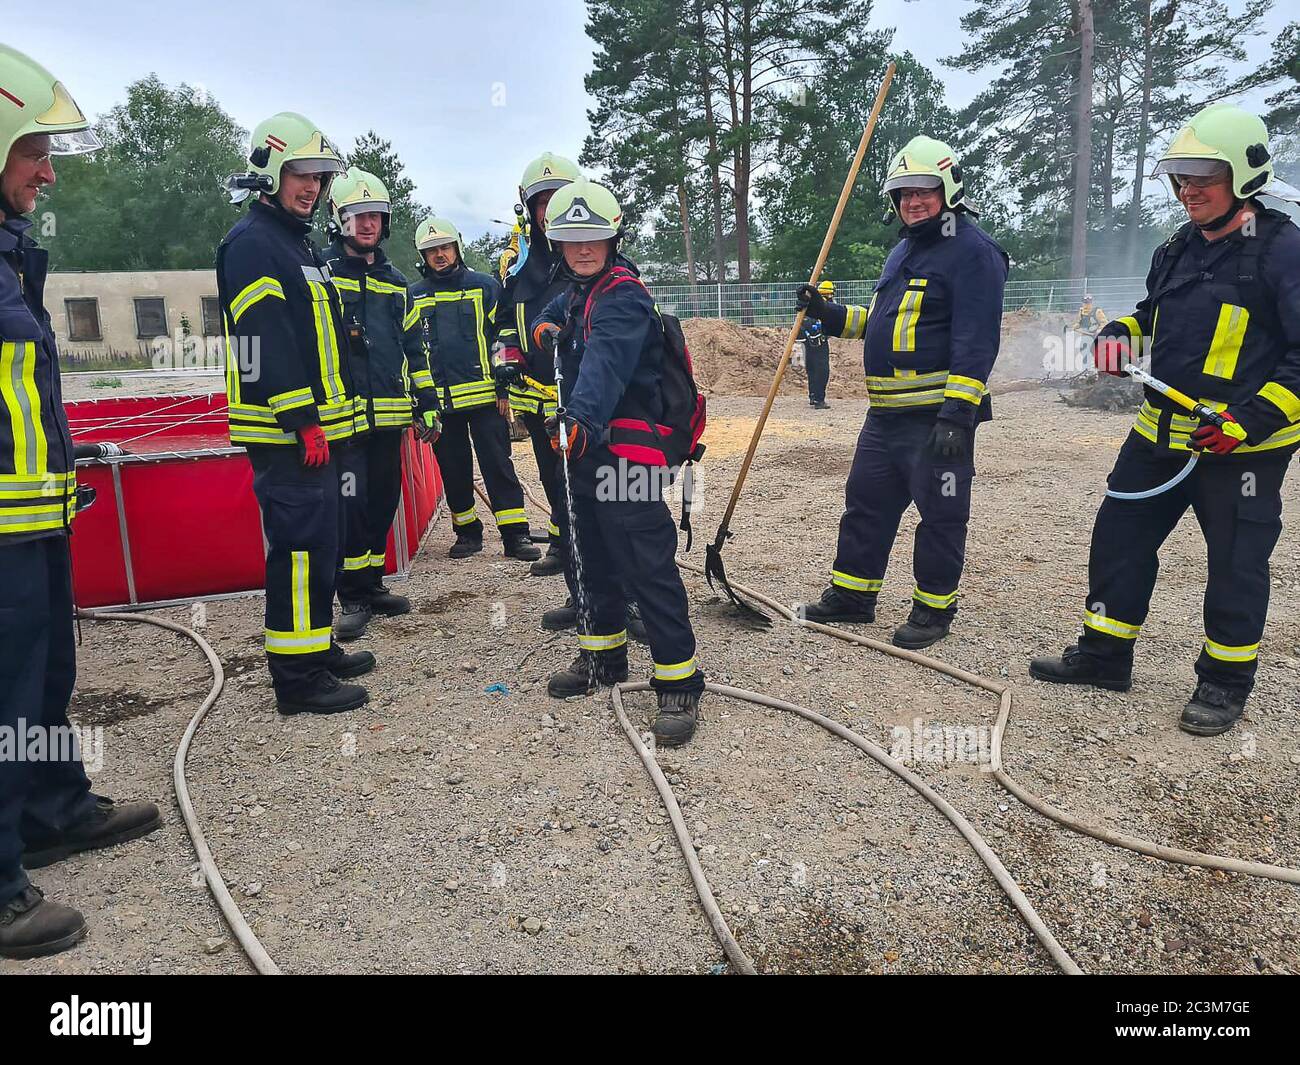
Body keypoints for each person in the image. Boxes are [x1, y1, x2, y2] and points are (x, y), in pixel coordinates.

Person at [1030, 104, 1300, 737]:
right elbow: (1154, 313)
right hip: (1157, 435)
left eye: (1205, 175)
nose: (1190, 189)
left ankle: (1224, 681)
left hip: (1243, 451)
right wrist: (1121, 332)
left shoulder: (1286, 253)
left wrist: (1249, 420)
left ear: (1244, 176)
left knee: (1236, 560)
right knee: (1119, 541)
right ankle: (1104, 656)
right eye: (1180, 176)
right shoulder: (1178, 246)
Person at [0, 42, 160, 960]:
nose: (47, 172)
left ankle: (49, 810)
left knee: (40, 677)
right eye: (33, 153)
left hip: (30, 519)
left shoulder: (12, 256)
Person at [793, 135, 1009, 650]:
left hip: (935, 419)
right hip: (884, 416)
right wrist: (827, 314)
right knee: (866, 505)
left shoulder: (973, 253)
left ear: (949, 189)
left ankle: (933, 610)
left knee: (941, 515)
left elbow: (976, 340)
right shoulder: (904, 250)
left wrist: (957, 415)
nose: (913, 202)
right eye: (904, 194)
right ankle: (853, 596)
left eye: (924, 192)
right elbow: (882, 325)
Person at [532, 178, 704, 746]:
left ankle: (678, 681)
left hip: (625, 453)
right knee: (591, 557)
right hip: (588, 450)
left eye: (594, 239)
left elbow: (604, 366)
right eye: (571, 239)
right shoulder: (580, 290)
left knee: (645, 565)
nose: (582, 249)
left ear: (613, 239)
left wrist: (578, 420)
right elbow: (555, 311)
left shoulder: (624, 296)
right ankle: (603, 657)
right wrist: (541, 326)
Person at [218, 112, 374, 715]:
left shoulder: (292, 242)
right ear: (269, 173)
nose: (312, 186)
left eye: (319, 176)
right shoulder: (253, 243)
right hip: (290, 435)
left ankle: (317, 646)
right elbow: (263, 340)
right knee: (301, 549)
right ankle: (298, 680)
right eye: (300, 174)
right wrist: (300, 417)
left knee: (321, 543)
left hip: (315, 432)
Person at [322, 167, 441, 640]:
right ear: (339, 220)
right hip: (345, 421)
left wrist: (427, 402)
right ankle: (349, 595)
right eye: (357, 216)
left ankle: (371, 585)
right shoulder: (323, 275)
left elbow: (416, 349)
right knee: (349, 504)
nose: (367, 224)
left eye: (375, 216)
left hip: (390, 417)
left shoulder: (396, 284)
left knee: (381, 501)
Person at [406, 216, 539, 561]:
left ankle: (516, 535)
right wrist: (420, 403)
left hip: (486, 399)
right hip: (440, 404)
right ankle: (467, 533)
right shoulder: (413, 296)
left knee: (498, 464)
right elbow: (409, 350)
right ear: (423, 255)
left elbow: (503, 333)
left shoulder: (484, 286)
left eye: (445, 248)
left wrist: (504, 387)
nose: (439, 255)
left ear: (457, 248)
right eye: (432, 250)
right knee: (453, 469)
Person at [495, 151, 582, 578]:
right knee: (550, 474)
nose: (549, 210)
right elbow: (502, 322)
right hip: (533, 388)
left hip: (579, 389)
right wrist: (504, 361)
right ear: (530, 208)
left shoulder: (586, 250)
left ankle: (582, 550)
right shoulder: (518, 261)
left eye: (558, 198)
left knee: (580, 474)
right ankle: (563, 544)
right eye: (541, 201)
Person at [801, 279, 834, 409]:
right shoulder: (827, 306)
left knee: (812, 369)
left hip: (808, 343)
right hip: (820, 343)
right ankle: (819, 400)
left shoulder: (810, 304)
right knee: (822, 370)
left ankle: (813, 396)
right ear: (831, 294)